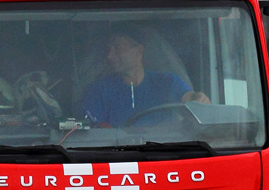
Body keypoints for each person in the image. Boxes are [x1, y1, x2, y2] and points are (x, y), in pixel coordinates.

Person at [81, 32, 209, 127]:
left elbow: (192, 102)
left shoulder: (167, 82)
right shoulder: (98, 90)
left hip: (165, 151)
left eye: (118, 48)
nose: (109, 56)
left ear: (139, 51)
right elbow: (97, 130)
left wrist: (199, 99)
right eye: (108, 50)